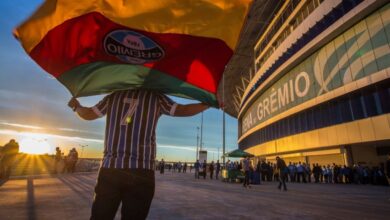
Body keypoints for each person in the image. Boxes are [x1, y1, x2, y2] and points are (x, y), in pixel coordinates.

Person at [68, 89, 210, 220]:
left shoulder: (113, 96)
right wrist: (207, 104)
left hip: (111, 168)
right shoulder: (156, 97)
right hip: (142, 170)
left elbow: (88, 114)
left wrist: (76, 106)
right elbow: (182, 110)